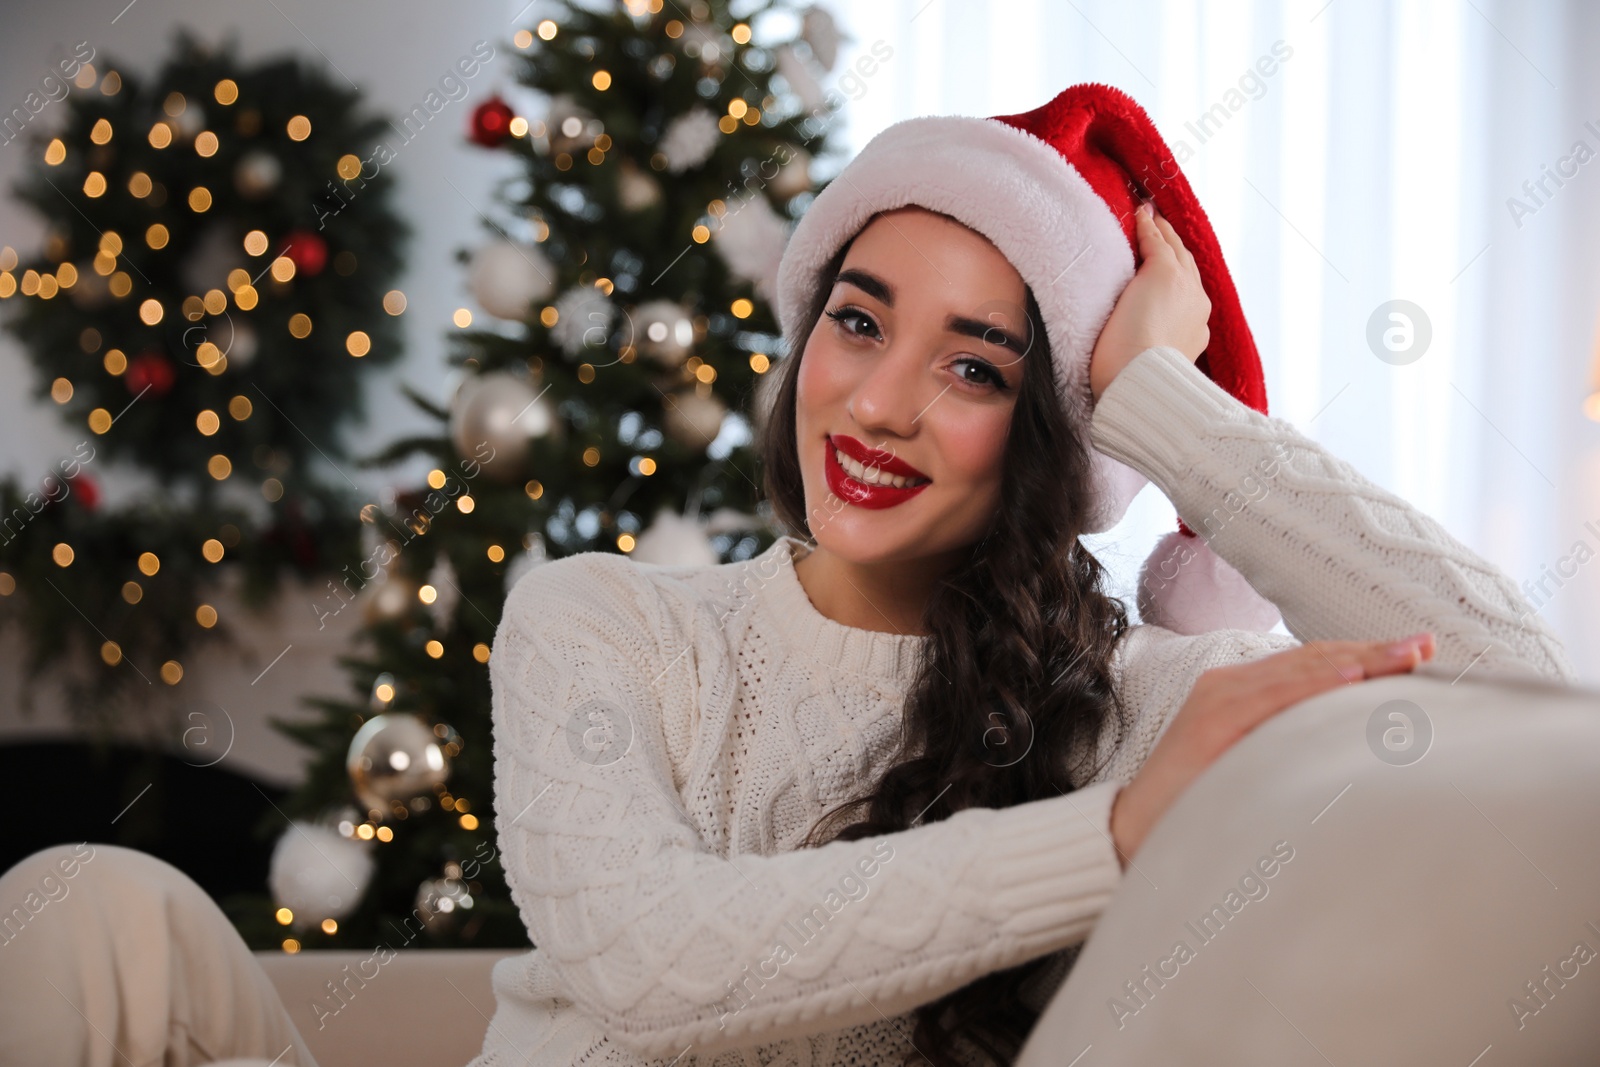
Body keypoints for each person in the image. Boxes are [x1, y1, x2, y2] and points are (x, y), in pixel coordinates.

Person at [0, 84, 1572, 1067]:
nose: (878, 403)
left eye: (976, 367)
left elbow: (1532, 705)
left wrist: (1171, 406)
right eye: (860, 318)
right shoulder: (603, 618)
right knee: (87, 909)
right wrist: (1110, 844)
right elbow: (639, 960)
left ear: (1047, 430)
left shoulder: (1144, 707)